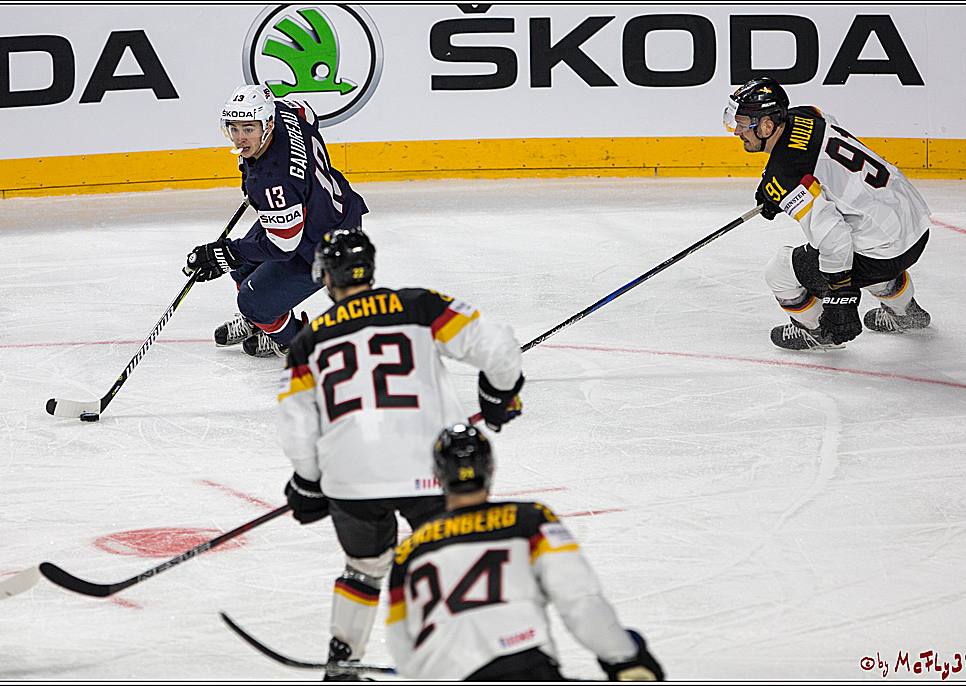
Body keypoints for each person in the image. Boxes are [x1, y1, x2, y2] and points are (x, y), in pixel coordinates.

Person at [276, 227, 526, 680]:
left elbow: (297, 429)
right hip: (432, 469)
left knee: (364, 567)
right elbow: (499, 348)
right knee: (453, 555)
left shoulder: (307, 341)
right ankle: (476, 655)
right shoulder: (419, 306)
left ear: (327, 277)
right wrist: (498, 395)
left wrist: (308, 481)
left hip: (351, 478)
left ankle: (343, 660)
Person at [385, 424, 665, 681]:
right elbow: (580, 602)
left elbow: (402, 648)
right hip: (521, 665)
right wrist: (625, 657)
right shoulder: (529, 519)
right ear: (491, 467)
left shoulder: (408, 551)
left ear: (437, 475)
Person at [724, 76, 932, 350]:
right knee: (866, 234)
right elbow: (820, 150)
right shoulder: (806, 114)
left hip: (884, 253)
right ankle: (905, 312)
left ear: (767, 126)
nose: (737, 132)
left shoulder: (786, 175)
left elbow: (833, 236)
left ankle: (817, 332)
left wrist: (840, 294)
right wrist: (774, 183)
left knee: (779, 271)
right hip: (915, 222)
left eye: (742, 125)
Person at [183, 84, 368, 358]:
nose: (240, 139)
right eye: (234, 128)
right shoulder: (283, 111)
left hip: (325, 244)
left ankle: (291, 340)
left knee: (252, 301)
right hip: (318, 208)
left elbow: (283, 246)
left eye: (248, 129)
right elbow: (307, 112)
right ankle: (262, 323)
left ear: (267, 124)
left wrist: (224, 253)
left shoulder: (273, 182)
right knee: (242, 270)